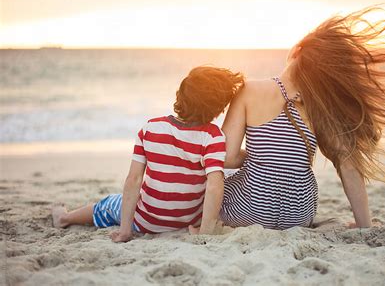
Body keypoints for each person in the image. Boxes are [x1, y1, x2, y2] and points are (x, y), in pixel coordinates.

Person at [215, 6, 385, 230]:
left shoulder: (250, 89)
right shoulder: (322, 107)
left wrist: (259, 157)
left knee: (218, 182)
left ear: (297, 50)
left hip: (249, 211)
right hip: (299, 215)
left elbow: (226, 157)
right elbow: (349, 168)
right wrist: (364, 225)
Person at [52, 66, 244, 242]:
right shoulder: (213, 136)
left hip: (147, 222)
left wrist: (126, 231)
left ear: (180, 95)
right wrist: (204, 232)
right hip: (187, 221)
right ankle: (65, 217)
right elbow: (214, 187)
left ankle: (64, 218)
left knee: (109, 203)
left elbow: (133, 180)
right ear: (218, 108)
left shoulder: (151, 128)